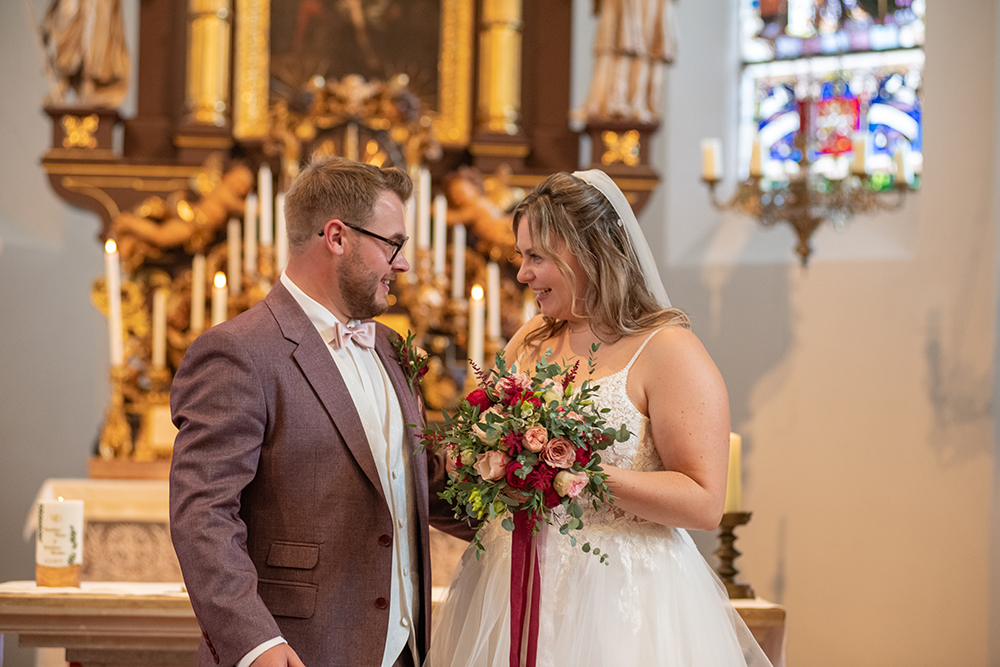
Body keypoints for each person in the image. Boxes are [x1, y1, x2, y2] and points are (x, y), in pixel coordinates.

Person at [426, 170, 772, 666]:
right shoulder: (530, 340)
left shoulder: (669, 351)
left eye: (536, 257)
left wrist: (579, 473)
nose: (522, 274)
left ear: (588, 252)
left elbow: (703, 502)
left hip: (625, 597)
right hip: (516, 579)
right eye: (521, 256)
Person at [170, 156, 467, 667]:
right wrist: (256, 643)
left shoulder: (392, 348)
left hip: (405, 651)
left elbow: (413, 482)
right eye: (392, 244)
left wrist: (529, 492)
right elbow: (203, 513)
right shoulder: (238, 352)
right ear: (337, 237)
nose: (403, 265)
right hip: (294, 652)